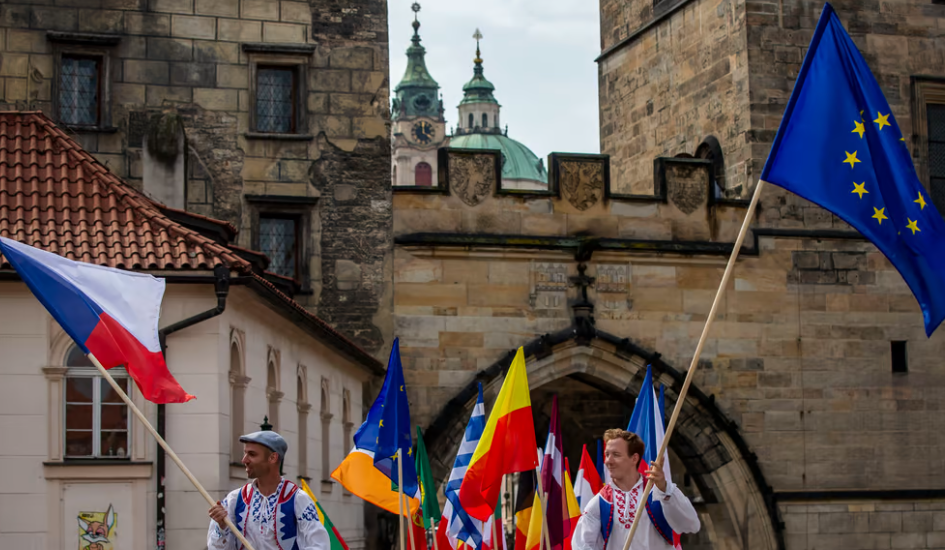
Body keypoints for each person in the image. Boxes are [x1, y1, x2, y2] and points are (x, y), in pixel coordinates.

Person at [572, 429, 700, 550]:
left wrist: (665, 490)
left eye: (616, 455)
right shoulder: (601, 501)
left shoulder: (658, 493)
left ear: (634, 458)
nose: (608, 461)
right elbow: (581, 544)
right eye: (607, 455)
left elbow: (691, 524)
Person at [207, 431, 330, 550]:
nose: (244, 460)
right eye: (245, 453)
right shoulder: (234, 500)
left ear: (272, 457)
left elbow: (318, 545)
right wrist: (222, 527)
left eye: (252, 454)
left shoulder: (298, 499)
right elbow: (216, 548)